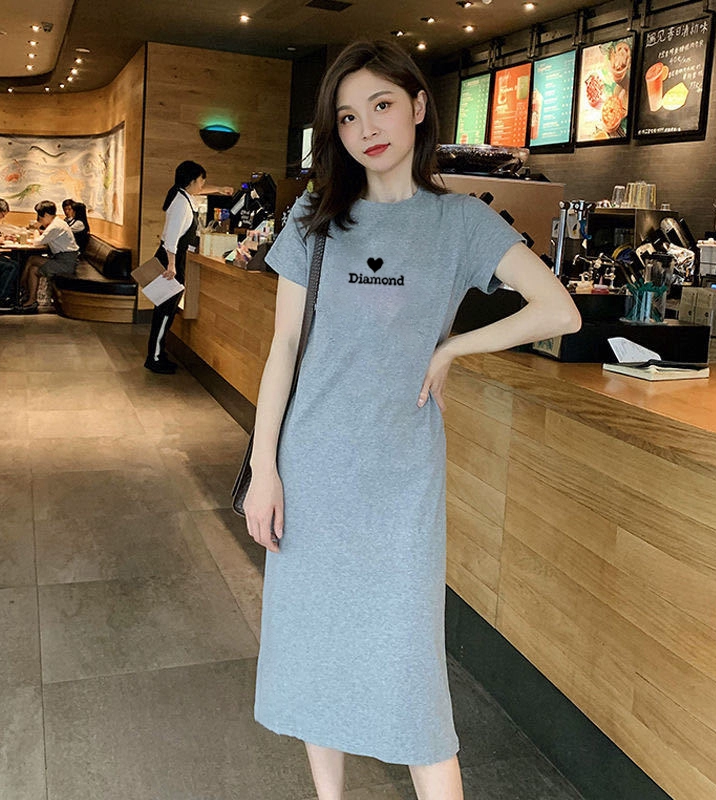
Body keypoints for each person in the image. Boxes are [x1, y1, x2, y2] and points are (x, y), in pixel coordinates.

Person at [244, 40, 581, 800]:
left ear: (419, 107)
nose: (367, 128)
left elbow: (557, 309)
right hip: (312, 467)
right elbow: (285, 347)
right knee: (316, 650)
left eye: (382, 105)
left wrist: (453, 347)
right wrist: (265, 468)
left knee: (411, 672)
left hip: (402, 481)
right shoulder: (314, 219)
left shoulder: (460, 222)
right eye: (348, 116)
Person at [145, 161, 233, 373]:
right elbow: (171, 239)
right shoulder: (181, 204)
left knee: (166, 310)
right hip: (171, 261)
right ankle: (154, 358)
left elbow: (200, 190)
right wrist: (172, 266)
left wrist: (219, 189)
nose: (203, 184)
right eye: (202, 180)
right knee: (165, 312)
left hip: (171, 259)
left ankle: (158, 353)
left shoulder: (182, 195)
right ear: (192, 181)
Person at [20, 200, 80, 312]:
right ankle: (30, 298)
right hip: (62, 259)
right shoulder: (57, 223)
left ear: (47, 215)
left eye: (41, 217)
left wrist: (36, 231)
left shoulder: (56, 226)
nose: (40, 220)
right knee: (33, 268)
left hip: (66, 262)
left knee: (32, 259)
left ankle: (21, 287)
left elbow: (37, 242)